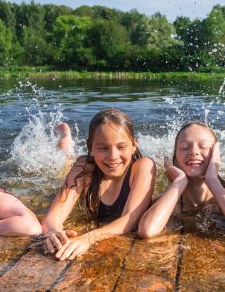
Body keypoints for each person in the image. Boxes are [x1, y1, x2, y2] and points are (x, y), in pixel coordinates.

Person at [42, 109, 155, 261]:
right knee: (64, 172)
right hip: (87, 166)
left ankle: (66, 146)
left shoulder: (143, 166)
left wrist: (89, 238)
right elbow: (53, 216)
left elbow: (130, 219)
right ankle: (65, 145)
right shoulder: (85, 167)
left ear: (134, 145)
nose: (113, 156)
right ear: (91, 147)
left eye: (121, 147)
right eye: (103, 148)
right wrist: (53, 232)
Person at [137, 122, 225, 240]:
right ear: (175, 158)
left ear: (215, 155)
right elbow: (147, 230)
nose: (193, 152)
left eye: (203, 147)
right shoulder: (167, 201)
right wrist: (179, 182)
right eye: (185, 147)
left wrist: (212, 180)